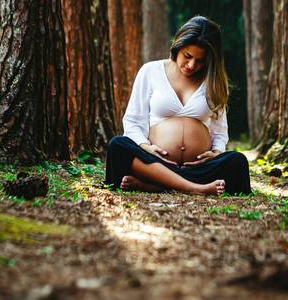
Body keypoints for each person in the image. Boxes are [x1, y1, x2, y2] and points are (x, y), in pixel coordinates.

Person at [105, 16, 251, 195]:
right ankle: (192, 188)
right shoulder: (150, 71)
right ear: (178, 46)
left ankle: (157, 185)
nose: (191, 65)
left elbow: (220, 131)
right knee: (117, 146)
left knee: (238, 161)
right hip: (155, 161)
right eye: (187, 56)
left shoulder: (214, 82)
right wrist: (146, 148)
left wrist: (216, 152)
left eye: (200, 61)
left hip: (198, 167)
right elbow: (133, 121)